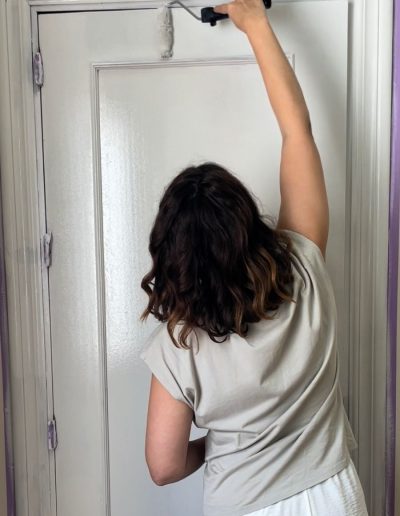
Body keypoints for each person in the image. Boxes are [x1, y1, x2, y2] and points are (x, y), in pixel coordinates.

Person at [139, 0, 369, 514]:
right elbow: (297, 132)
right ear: (248, 224)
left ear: (172, 257)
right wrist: (255, 22)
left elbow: (163, 466)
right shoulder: (302, 267)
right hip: (333, 495)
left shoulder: (179, 344)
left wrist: (222, 445)